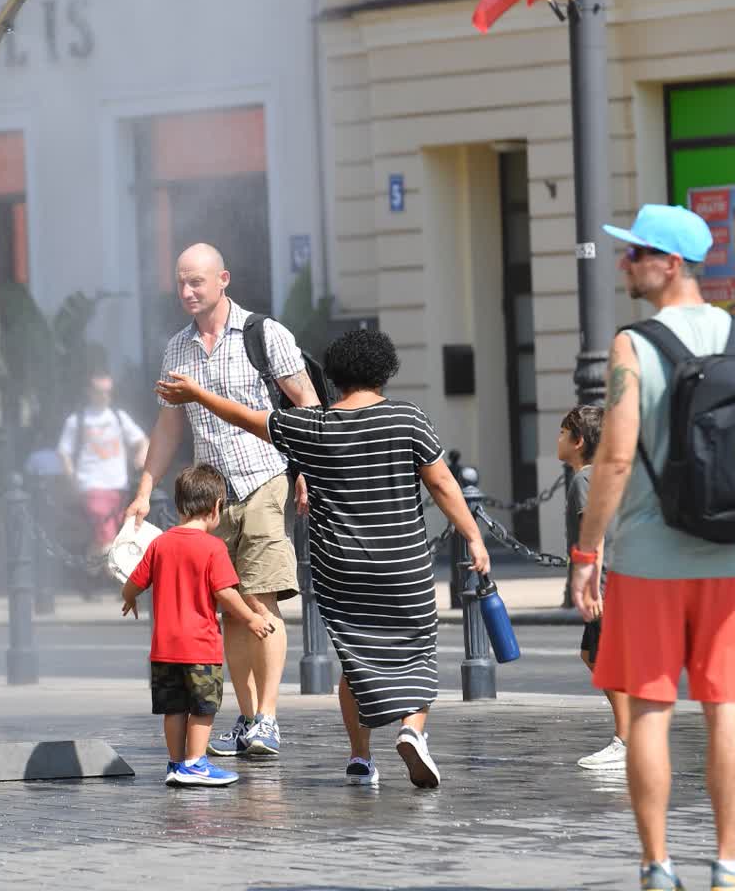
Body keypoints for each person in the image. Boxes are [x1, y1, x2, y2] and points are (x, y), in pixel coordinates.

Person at [157, 328, 491, 790]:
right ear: (385, 372)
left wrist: (197, 393)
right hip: (404, 561)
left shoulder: (313, 427)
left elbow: (248, 418)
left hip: (340, 567)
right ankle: (412, 729)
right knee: (417, 651)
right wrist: (473, 536)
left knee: (355, 660)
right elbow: (443, 484)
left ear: (333, 378)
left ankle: (360, 758)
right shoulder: (408, 420)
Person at [573, 204, 735, 891]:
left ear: (669, 264)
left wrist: (588, 554)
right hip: (730, 556)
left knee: (649, 710)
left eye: (635, 253)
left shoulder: (632, 345)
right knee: (727, 706)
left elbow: (612, 458)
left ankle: (657, 865)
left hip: (646, 559)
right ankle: (732, 861)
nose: (625, 265)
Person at [126, 243, 321, 759]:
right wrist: (144, 491)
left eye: (197, 282)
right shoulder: (178, 349)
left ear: (224, 279)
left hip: (264, 477)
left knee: (262, 597)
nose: (187, 291)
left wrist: (308, 472)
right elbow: (169, 426)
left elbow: (306, 404)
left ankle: (271, 718)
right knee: (231, 610)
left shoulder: (264, 334)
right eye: (180, 282)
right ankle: (251, 716)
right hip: (214, 496)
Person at [120, 464, 275, 788]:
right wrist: (252, 619)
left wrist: (130, 598)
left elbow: (133, 583)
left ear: (179, 506)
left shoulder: (160, 544)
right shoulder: (213, 548)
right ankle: (195, 764)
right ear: (217, 507)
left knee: (174, 708)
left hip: (163, 649)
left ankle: (176, 764)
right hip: (199, 647)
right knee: (203, 708)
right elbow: (225, 593)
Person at [556, 405, 629, 772]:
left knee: (605, 661)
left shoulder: (585, 479)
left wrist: (591, 587)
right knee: (591, 655)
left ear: (578, 440)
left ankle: (627, 740)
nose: (558, 440)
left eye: (562, 432)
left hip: (605, 584)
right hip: (617, 580)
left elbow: (594, 534)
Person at [58, 369, 149, 569]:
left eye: (109, 391)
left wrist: (140, 455)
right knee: (106, 533)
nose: (105, 395)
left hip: (118, 485)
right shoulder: (77, 420)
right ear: (90, 392)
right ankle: (121, 578)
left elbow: (142, 440)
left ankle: (89, 573)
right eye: (100, 391)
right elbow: (64, 452)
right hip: (91, 485)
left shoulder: (118, 417)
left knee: (104, 535)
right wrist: (73, 479)